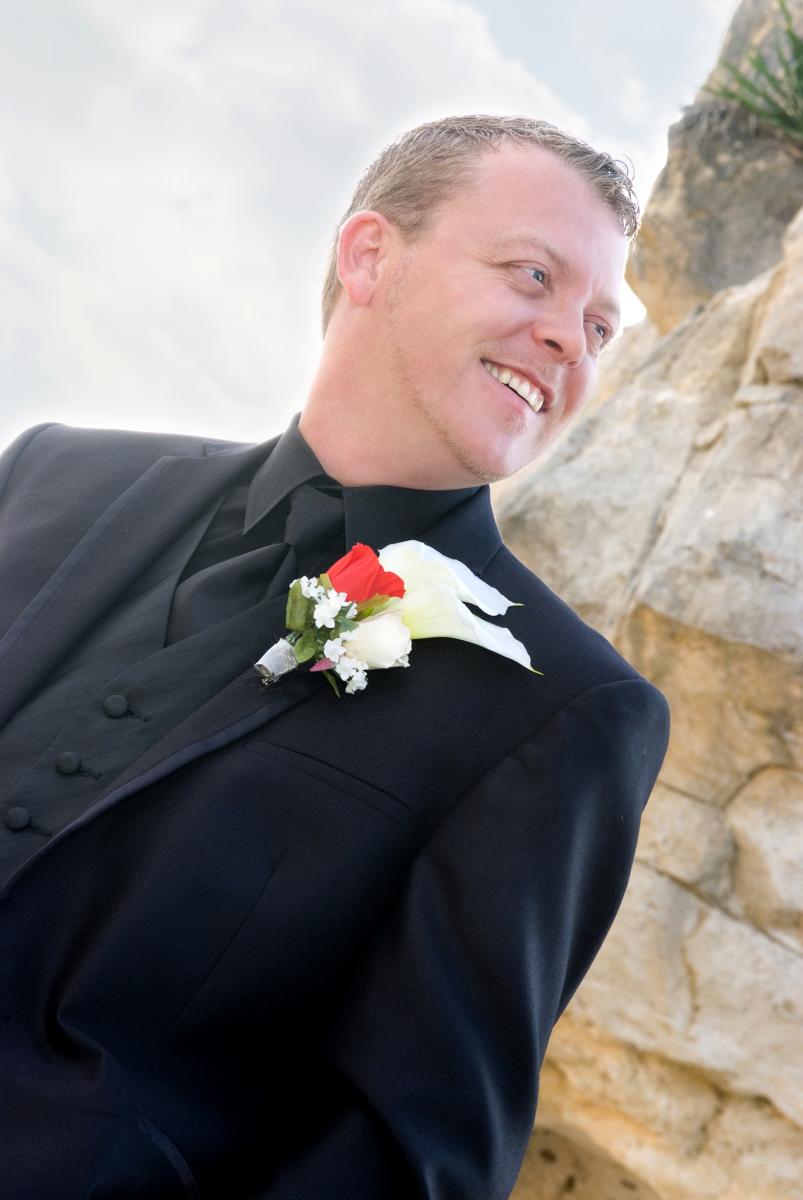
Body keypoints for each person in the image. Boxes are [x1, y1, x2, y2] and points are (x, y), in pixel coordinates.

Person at [0, 115, 669, 1199]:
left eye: (597, 326)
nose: (565, 339)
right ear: (368, 256)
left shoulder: (564, 709)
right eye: (531, 276)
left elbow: (407, 1158)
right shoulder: (50, 474)